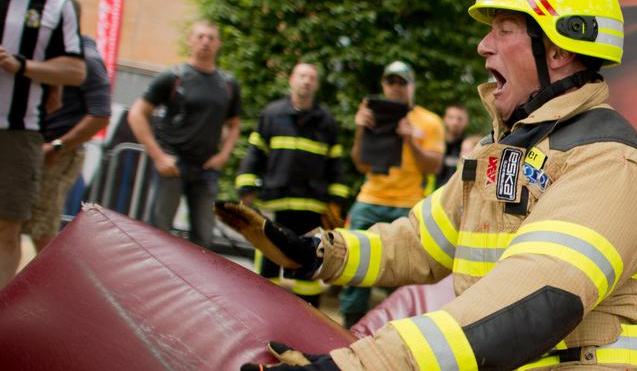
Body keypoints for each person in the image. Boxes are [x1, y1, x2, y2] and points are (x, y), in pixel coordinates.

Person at [216, 0, 637, 370]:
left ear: (559, 49)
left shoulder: (611, 164)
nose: (484, 46)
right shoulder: (505, 152)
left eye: (503, 30)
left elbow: (532, 301)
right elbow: (421, 242)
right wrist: (321, 254)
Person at [0, 0, 86, 288]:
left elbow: (75, 70)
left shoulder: (55, 3)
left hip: (18, 133)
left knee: (7, 225)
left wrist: (21, 65)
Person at [235, 62, 348, 307]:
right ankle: (263, 309)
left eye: (311, 77)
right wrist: (246, 187)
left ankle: (307, 315)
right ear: (291, 80)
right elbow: (255, 153)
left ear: (316, 84)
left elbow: (335, 163)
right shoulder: (272, 114)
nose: (306, 81)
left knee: (308, 262)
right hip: (276, 203)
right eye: (302, 76)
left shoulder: (326, 121)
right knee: (269, 260)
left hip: (310, 207)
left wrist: (337, 200)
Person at [341, 60, 445, 326]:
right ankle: (348, 330)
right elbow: (360, 163)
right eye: (391, 82)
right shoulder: (372, 115)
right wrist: (360, 129)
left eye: (402, 82)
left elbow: (433, 165)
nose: (396, 87)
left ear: (412, 86)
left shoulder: (428, 121)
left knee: (403, 275)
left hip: (408, 205)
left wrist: (410, 140)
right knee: (354, 266)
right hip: (369, 201)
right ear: (384, 85)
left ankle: (398, 336)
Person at [127, 20, 241, 249]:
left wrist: (223, 156)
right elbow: (137, 113)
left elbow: (234, 124)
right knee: (159, 233)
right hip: (173, 165)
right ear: (190, 40)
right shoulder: (174, 76)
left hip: (207, 170)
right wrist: (158, 156)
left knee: (204, 238)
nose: (205, 42)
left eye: (211, 38)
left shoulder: (228, 84)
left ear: (218, 43)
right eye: (200, 37)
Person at [22, 0, 111, 254]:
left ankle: (55, 287)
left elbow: (100, 114)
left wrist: (57, 147)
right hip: (29, 148)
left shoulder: (87, 60)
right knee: (14, 223)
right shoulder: (45, 52)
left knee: (42, 229)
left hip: (56, 155)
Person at [434, 104, 469, 188]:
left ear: (466, 122)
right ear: (444, 119)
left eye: (459, 119)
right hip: (430, 197)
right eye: (451, 117)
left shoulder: (469, 148)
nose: (455, 122)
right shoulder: (434, 144)